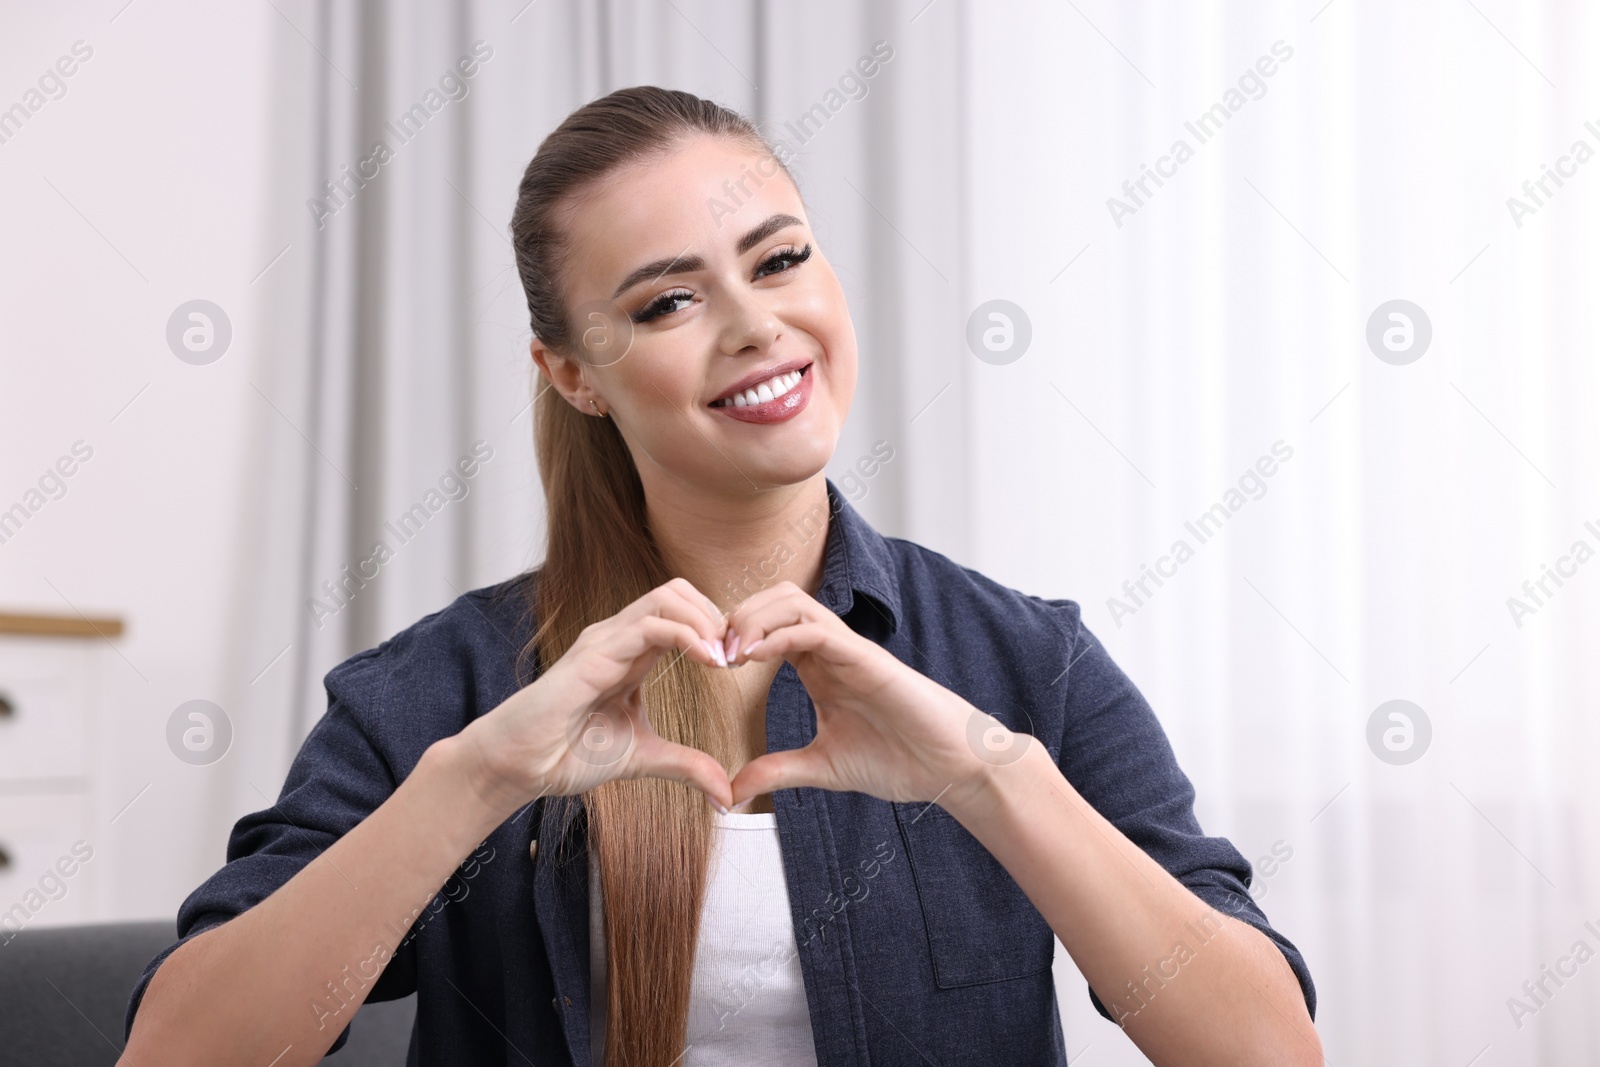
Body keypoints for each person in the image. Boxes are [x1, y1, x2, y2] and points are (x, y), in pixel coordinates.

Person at [122, 86, 1320, 1067]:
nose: (754, 323)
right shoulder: (439, 690)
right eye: (669, 300)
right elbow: (179, 1053)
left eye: (780, 258)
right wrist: (477, 779)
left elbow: (1266, 1051)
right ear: (574, 372)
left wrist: (986, 776)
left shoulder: (1021, 660)